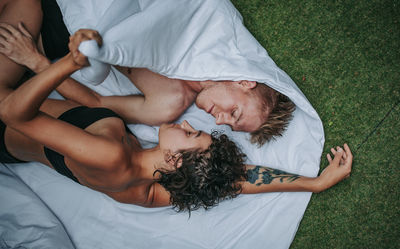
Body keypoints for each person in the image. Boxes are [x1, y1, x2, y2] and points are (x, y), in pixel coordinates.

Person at [0, 6, 353, 212]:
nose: (189, 125)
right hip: (33, 98)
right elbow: (234, 179)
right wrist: (314, 183)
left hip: (7, 104)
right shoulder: (156, 189)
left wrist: (64, 62)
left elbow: (13, 113)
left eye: (192, 134)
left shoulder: (109, 156)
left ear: (174, 160)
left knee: (27, 6)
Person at [0, 0, 294, 146]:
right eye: (235, 113)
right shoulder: (213, 26)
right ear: (246, 82)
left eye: (228, 125)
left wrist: (36, 61)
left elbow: (96, 104)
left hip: (48, 33)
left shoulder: (168, 102)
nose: (219, 119)